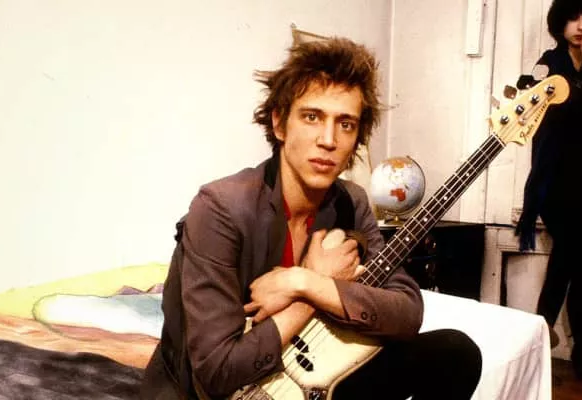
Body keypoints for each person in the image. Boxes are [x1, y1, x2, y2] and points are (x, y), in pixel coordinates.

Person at [141, 37, 482, 400]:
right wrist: (311, 298)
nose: (328, 140)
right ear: (280, 124)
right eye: (312, 117)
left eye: (346, 124)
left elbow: (407, 312)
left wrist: (306, 283)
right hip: (225, 390)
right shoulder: (221, 207)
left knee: (454, 353)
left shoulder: (351, 202)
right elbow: (217, 372)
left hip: (314, 370)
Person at [515, 0, 582, 387]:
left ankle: (540, 350)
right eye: (573, 18)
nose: (581, 26)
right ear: (559, 23)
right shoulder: (549, 65)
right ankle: (579, 350)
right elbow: (554, 122)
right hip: (554, 188)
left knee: (566, 268)